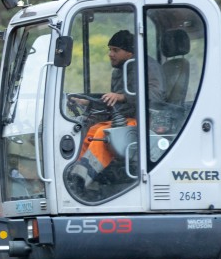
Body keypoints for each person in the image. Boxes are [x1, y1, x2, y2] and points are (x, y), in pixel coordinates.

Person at [68, 30, 164, 195]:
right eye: (109, 49)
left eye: (115, 50)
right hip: (125, 118)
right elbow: (115, 99)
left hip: (144, 120)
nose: (110, 54)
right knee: (89, 132)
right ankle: (73, 175)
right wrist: (88, 100)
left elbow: (155, 95)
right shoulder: (122, 69)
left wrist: (122, 96)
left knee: (102, 135)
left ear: (130, 52)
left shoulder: (146, 66)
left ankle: (79, 183)